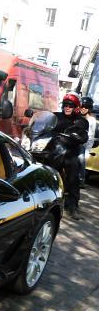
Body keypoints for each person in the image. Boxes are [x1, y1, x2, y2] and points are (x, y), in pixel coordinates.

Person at [52, 92, 88, 220]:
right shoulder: (55, 116)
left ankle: (72, 206)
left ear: (76, 107)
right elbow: (44, 123)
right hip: (52, 150)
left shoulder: (80, 121)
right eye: (65, 105)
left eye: (70, 105)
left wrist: (79, 137)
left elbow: (84, 135)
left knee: (73, 174)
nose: (67, 107)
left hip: (69, 152)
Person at [79, 96, 96, 188]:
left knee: (82, 159)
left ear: (89, 108)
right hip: (74, 142)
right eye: (82, 106)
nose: (83, 108)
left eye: (86, 107)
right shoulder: (77, 117)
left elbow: (90, 137)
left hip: (84, 145)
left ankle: (81, 180)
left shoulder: (91, 120)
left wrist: (86, 148)